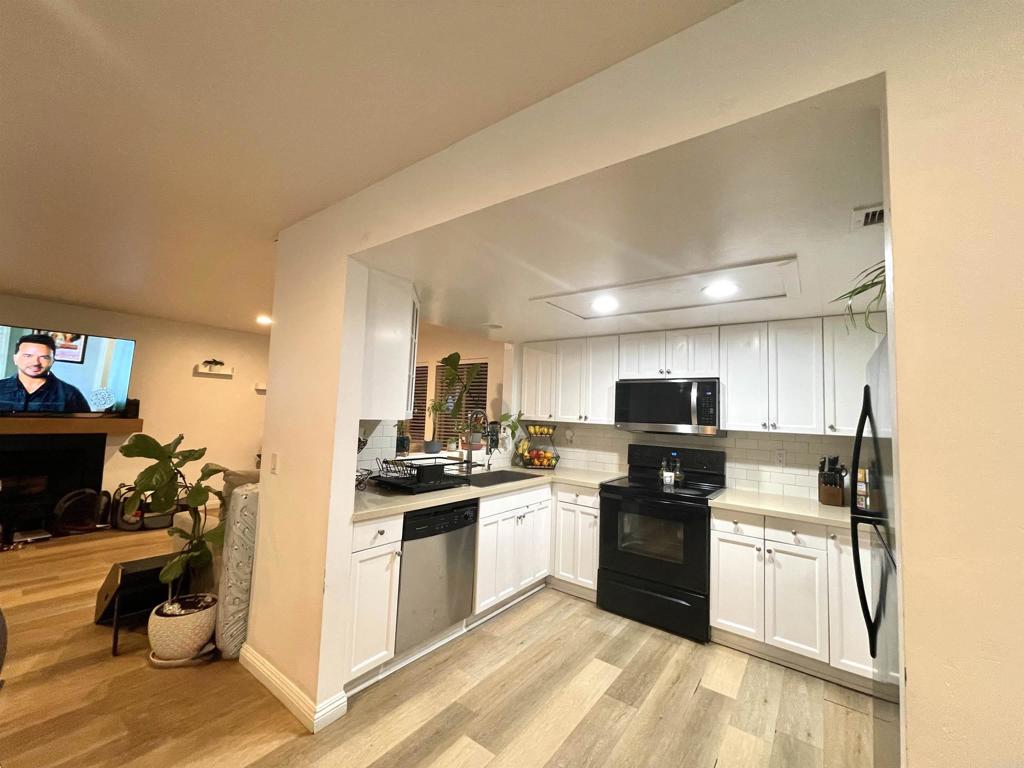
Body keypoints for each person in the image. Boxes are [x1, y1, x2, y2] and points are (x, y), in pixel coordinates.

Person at [0, 333, 91, 413]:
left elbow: (85, 428)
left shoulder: (70, 394)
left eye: (44, 357)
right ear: (15, 359)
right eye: (28, 356)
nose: (36, 363)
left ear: (53, 361)